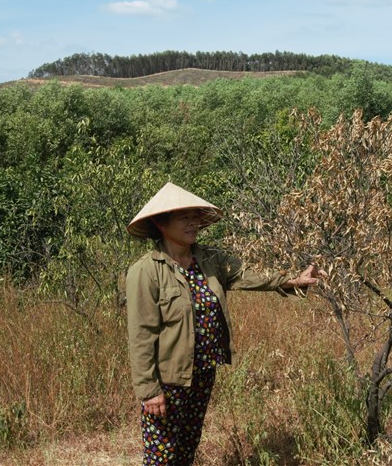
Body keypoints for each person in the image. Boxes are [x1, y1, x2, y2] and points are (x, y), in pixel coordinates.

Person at [125, 182, 323, 465]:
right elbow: (141, 335)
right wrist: (149, 391)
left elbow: (249, 275)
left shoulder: (211, 260)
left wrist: (292, 280)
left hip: (203, 372)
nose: (194, 223)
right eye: (184, 217)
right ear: (160, 223)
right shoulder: (146, 272)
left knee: (187, 446)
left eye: (195, 216)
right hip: (169, 380)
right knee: (161, 455)